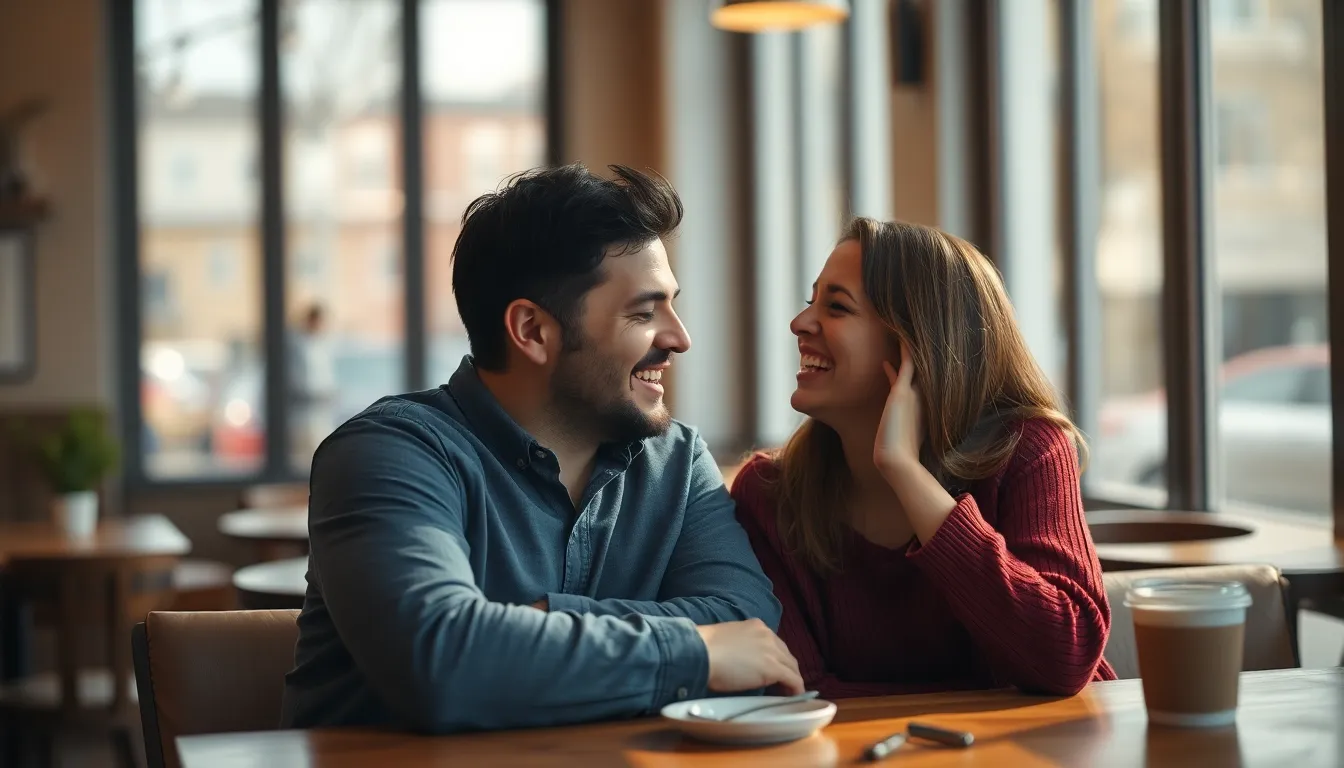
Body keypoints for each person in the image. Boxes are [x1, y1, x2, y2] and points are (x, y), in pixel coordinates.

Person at [281, 164, 801, 734]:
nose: (680, 337)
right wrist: (696, 651)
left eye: (672, 306)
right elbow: (441, 662)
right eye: (643, 312)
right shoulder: (387, 453)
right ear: (531, 330)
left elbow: (748, 626)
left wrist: (535, 623)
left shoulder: (677, 462)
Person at [731, 218, 1116, 700]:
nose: (800, 323)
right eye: (811, 302)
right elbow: (799, 693)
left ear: (917, 343)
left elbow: (1066, 656)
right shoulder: (768, 495)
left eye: (837, 307)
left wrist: (906, 473)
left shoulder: (1028, 449)